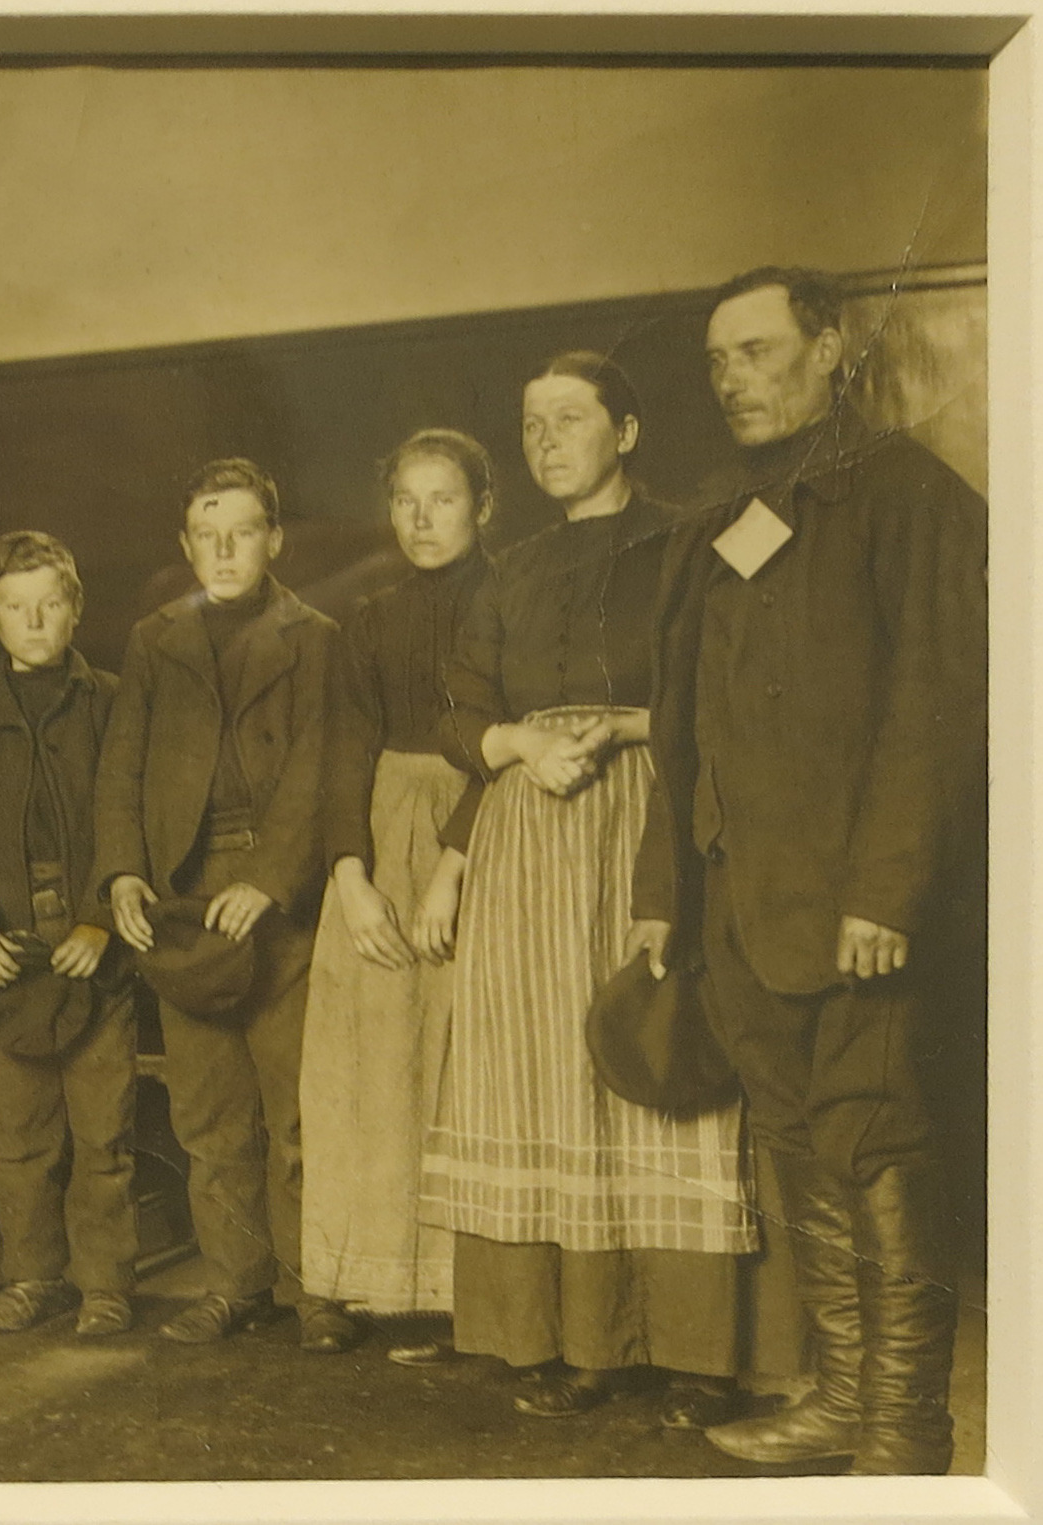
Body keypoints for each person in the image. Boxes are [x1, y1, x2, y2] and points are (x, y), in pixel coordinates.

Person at [630, 268, 987, 1475]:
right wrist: (663, 893)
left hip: (855, 909)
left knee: (875, 1144)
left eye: (757, 349)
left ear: (830, 348)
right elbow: (676, 722)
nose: (731, 377)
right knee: (792, 1137)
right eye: (716, 359)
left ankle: (903, 1432)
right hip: (739, 902)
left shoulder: (908, 494)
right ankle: (838, 1397)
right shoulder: (718, 513)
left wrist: (885, 891)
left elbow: (938, 706)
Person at [418, 352, 754, 1428]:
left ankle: (698, 1356)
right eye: (532, 424)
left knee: (651, 1055)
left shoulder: (690, 539)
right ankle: (582, 1344)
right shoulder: (508, 570)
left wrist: (623, 725)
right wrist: (517, 742)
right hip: (527, 840)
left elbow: (730, 688)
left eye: (569, 418)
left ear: (627, 430)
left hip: (649, 820)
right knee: (547, 1078)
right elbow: (457, 707)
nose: (547, 440)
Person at [94, 457, 351, 1347]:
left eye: (242, 532)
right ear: (185, 545)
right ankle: (237, 1284)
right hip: (184, 901)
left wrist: (271, 878)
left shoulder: (316, 636)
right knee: (207, 1113)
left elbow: (320, 768)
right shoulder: (155, 638)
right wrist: (123, 871)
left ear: (275, 539)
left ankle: (319, 1290)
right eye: (206, 536)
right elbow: (123, 766)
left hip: (280, 904)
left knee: (298, 1111)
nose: (225, 550)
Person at [299, 430, 493, 1360]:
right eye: (405, 500)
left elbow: (511, 740)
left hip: (485, 832)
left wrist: (457, 857)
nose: (421, 519)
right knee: (364, 1060)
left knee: (467, 1055)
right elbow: (344, 749)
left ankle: (474, 1291)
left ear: (484, 508)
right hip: (380, 842)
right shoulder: (368, 620)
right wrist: (351, 876)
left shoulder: (514, 601)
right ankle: (359, 1277)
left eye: (443, 498)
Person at [0, 531, 137, 1338]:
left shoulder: (115, 702)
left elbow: (132, 817)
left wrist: (101, 919)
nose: (34, 620)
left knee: (103, 1134)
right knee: (18, 1138)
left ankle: (106, 1283)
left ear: (76, 607)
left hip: (94, 958)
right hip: (5, 960)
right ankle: (33, 1276)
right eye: (16, 606)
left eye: (49, 603)